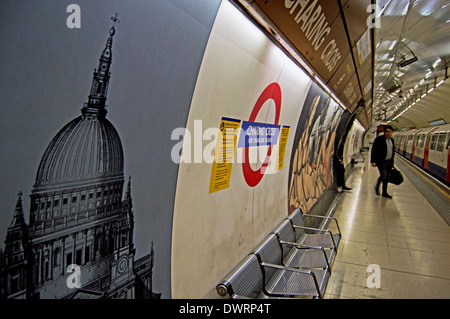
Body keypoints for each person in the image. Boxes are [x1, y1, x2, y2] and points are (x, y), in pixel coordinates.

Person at [371, 125, 395, 198]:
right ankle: (377, 186)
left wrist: (392, 161)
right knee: (383, 175)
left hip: (389, 161)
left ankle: (384, 192)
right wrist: (373, 161)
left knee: (387, 177)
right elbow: (374, 150)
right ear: (384, 132)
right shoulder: (379, 139)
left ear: (392, 133)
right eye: (387, 131)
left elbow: (392, 151)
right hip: (381, 161)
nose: (388, 133)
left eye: (390, 132)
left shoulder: (392, 140)